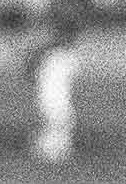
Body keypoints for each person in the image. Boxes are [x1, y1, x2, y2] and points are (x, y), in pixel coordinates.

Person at [23, 10, 82, 163]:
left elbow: (31, 68)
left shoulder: (63, 56)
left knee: (56, 122)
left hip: (55, 106)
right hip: (54, 105)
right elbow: (31, 68)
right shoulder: (63, 55)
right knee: (56, 122)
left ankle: (52, 147)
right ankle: (52, 146)